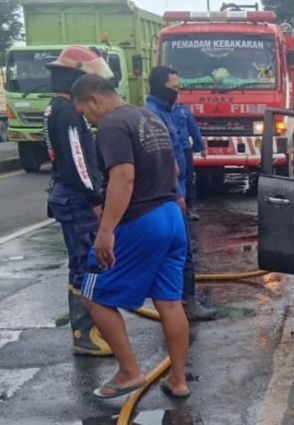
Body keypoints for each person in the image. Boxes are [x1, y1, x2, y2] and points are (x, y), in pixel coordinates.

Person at [71, 74, 191, 399]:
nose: (88, 120)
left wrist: (106, 230)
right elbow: (176, 171)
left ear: (94, 98)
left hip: (142, 220)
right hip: (171, 216)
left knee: (94, 296)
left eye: (84, 112)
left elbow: (123, 177)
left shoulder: (112, 125)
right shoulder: (149, 118)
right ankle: (178, 381)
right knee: (169, 302)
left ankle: (129, 372)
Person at [43, 46, 114, 356]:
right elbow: (78, 160)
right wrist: (96, 197)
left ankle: (86, 329)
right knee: (86, 265)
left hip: (68, 196)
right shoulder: (70, 112)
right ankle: (85, 333)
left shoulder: (55, 108)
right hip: (77, 200)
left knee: (81, 263)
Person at [146, 66, 216, 321]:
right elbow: (164, 163)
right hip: (169, 196)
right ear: (160, 87)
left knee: (177, 250)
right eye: (174, 88)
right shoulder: (154, 116)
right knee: (181, 250)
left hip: (177, 191)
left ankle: (180, 301)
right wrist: (177, 194)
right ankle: (185, 303)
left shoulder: (170, 111)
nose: (178, 92)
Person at [171, 102, 206, 221]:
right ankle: (175, 208)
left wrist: (201, 147)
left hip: (185, 148)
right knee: (171, 178)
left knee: (189, 178)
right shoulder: (161, 111)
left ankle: (190, 208)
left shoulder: (183, 109)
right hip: (169, 149)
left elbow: (193, 128)